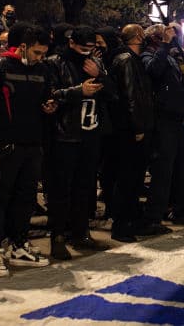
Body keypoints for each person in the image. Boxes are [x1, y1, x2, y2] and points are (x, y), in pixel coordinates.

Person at [0, 24, 55, 276]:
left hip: (33, 144)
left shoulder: (43, 70)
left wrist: (49, 107)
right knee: (0, 198)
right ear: (23, 47)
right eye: (36, 52)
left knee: (26, 197)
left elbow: (45, 99)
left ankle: (19, 244)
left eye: (43, 53)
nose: (40, 58)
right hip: (6, 146)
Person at [46, 26, 109, 259]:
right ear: (71, 43)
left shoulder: (95, 62)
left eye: (91, 48)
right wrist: (79, 91)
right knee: (61, 189)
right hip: (66, 134)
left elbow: (113, 93)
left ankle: (81, 232)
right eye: (83, 48)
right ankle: (58, 236)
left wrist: (100, 75)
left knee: (85, 187)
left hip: (91, 133)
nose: (87, 52)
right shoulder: (55, 63)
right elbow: (51, 94)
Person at [141, 23, 184, 229]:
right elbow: (154, 71)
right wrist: (165, 45)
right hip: (163, 119)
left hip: (179, 118)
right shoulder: (148, 55)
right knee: (163, 170)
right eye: (164, 36)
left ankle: (182, 210)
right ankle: (153, 217)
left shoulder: (170, 56)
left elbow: (183, 78)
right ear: (155, 39)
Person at [107, 24, 156, 240]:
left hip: (136, 125)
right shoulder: (127, 60)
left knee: (135, 178)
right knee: (128, 177)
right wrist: (137, 126)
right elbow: (130, 96)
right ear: (136, 36)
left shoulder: (132, 59)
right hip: (129, 129)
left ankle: (132, 221)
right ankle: (122, 225)